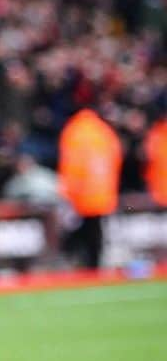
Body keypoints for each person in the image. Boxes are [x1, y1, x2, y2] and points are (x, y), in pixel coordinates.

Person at [57, 107, 123, 269]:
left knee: (80, 230)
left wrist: (67, 191)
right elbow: (116, 159)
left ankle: (77, 260)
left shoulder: (73, 132)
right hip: (103, 193)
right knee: (96, 231)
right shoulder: (105, 132)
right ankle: (93, 264)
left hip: (81, 194)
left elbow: (71, 165)